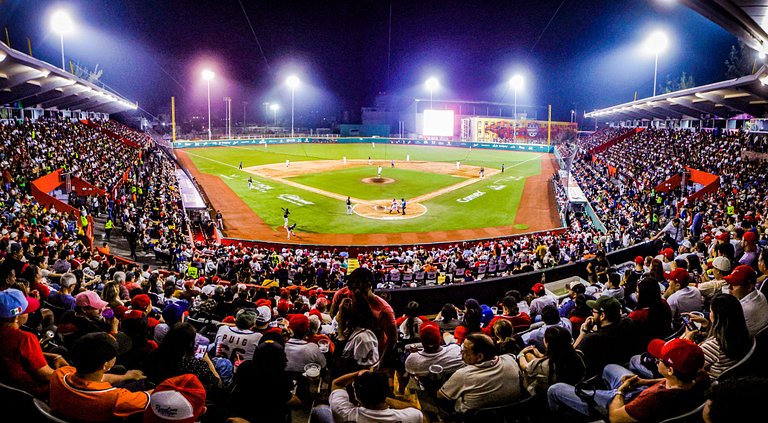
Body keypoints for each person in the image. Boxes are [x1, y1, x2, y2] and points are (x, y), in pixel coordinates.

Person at [547, 338, 709, 422]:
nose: (657, 360)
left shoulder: (652, 400)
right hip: (640, 391)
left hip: (622, 403)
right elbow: (670, 384)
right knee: (609, 368)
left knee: (555, 390)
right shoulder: (701, 378)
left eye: (660, 360)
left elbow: (615, 417)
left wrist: (621, 390)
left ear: (670, 370)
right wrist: (644, 382)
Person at [49, 332, 151, 422]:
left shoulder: (59, 374)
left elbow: (96, 378)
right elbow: (154, 396)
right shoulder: (116, 399)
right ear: (106, 365)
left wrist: (126, 376)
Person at [0, 288, 68, 398]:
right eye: (26, 311)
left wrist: (51, 356)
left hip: (8, 385)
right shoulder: (25, 338)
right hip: (30, 394)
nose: (29, 314)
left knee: (59, 351)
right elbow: (45, 375)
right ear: (17, 317)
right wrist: (67, 374)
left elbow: (13, 355)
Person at [438, 333, 524, 413]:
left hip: (470, 418)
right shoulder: (510, 360)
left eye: (465, 351)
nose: (461, 352)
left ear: (479, 357)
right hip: (510, 413)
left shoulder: (463, 375)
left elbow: (440, 396)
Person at [312, 370, 423, 423]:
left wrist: (357, 373)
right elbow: (416, 410)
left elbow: (337, 384)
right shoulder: (410, 417)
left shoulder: (343, 412)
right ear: (386, 393)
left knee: (321, 409)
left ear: (357, 397)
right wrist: (383, 397)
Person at [518, 326, 585, 397]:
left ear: (547, 343)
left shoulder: (543, 365)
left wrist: (521, 354)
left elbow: (524, 366)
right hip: (573, 391)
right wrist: (542, 356)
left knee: (528, 356)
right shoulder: (578, 355)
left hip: (545, 396)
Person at [723, 264, 768, 337]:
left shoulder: (742, 309)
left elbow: (726, 334)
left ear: (749, 287)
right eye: (730, 283)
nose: (729, 288)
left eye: (734, 284)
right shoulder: (759, 294)